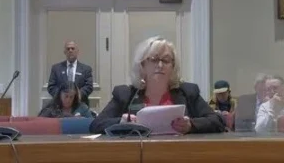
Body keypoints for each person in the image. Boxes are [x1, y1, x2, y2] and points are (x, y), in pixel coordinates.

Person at [89, 36, 224, 135]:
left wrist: (191, 125)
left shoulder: (188, 92)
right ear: (142, 65)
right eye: (153, 59)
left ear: (173, 66)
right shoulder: (126, 94)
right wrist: (121, 123)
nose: (160, 65)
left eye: (166, 60)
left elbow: (217, 121)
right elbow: (96, 125)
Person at [47, 41, 94, 105]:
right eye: (68, 49)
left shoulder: (86, 69)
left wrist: (76, 95)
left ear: (77, 51)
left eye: (72, 48)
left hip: (80, 104)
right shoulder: (56, 68)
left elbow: (89, 86)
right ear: (64, 52)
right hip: (60, 105)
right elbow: (51, 87)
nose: (70, 51)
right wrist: (62, 96)